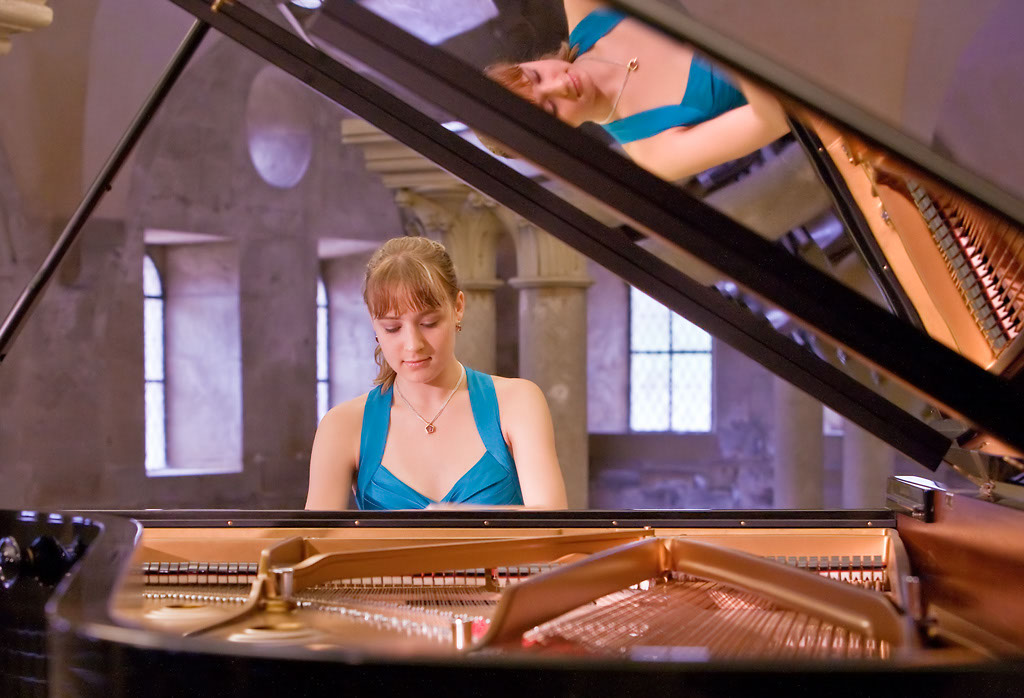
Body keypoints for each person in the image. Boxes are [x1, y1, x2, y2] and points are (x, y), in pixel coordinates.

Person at [306, 236, 568, 511]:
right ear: (373, 322)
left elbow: (553, 523)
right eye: (392, 328)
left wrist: (460, 517)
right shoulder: (343, 425)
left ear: (458, 307)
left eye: (429, 323)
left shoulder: (517, 402)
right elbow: (314, 535)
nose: (413, 345)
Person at [484, 0, 790, 181]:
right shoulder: (655, 154)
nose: (560, 85)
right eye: (551, 108)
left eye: (536, 76)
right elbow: (775, 119)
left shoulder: (585, 6)